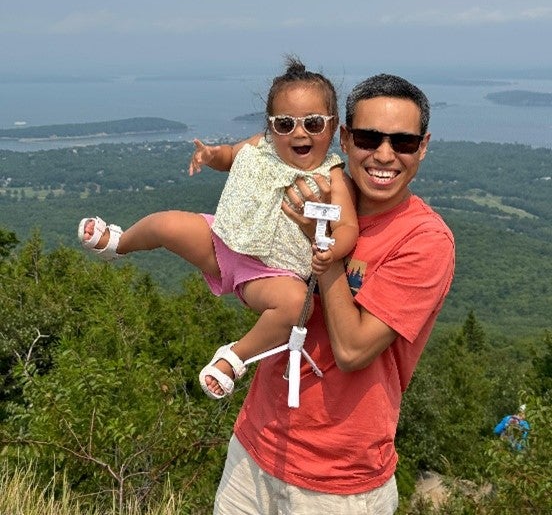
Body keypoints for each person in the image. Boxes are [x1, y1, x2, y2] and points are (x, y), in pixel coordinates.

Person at [213, 73, 456, 515]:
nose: (384, 155)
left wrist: (320, 242)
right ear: (344, 139)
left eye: (403, 142)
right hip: (253, 448)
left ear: (423, 147)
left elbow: (352, 350)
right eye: (368, 138)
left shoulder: (424, 241)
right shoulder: (313, 186)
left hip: (337, 483)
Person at [78, 57, 358, 399]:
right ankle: (119, 243)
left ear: (333, 126)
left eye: (313, 123)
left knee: (297, 305)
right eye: (285, 124)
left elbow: (348, 227)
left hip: (272, 273)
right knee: (166, 224)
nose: (299, 133)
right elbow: (229, 156)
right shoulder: (260, 146)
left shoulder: (333, 177)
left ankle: (233, 358)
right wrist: (211, 156)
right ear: (271, 127)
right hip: (222, 240)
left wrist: (332, 249)